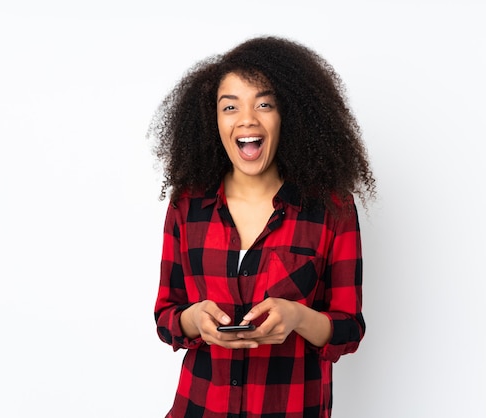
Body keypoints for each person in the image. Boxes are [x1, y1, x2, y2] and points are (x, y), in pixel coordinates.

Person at [148, 35, 376, 418]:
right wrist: (194, 321)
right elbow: (166, 315)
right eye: (230, 107)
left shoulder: (331, 209)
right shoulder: (188, 205)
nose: (247, 119)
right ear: (213, 120)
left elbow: (348, 329)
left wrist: (298, 318)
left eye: (264, 104)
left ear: (289, 115)